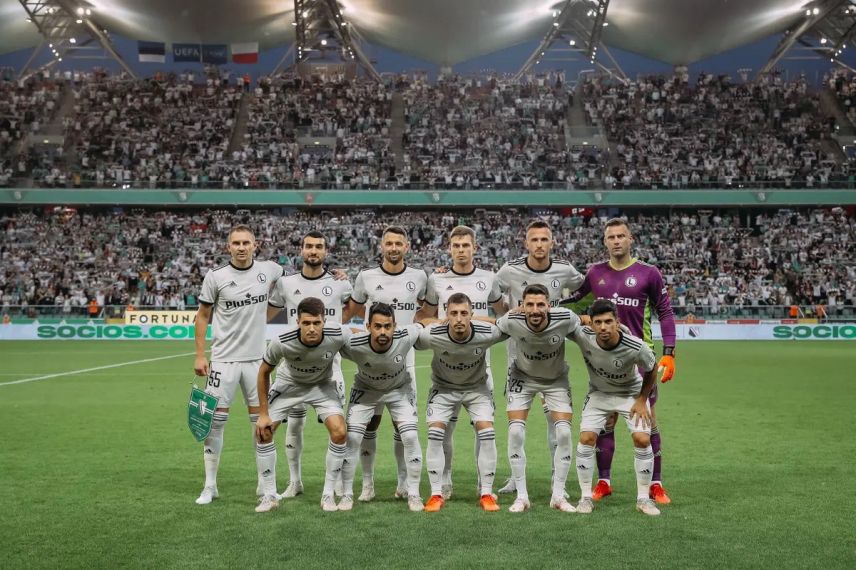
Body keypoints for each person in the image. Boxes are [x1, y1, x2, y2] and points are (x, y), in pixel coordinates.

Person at [563, 218, 676, 504]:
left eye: (621, 236)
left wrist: (669, 352)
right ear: (605, 241)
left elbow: (665, 311)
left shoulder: (648, 273)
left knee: (648, 420)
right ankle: (604, 481)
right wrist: (548, 306)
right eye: (611, 237)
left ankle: (656, 484)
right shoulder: (595, 272)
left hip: (639, 357)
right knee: (606, 420)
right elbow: (576, 300)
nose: (616, 241)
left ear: (630, 239)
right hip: (604, 356)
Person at [192, 224, 284, 505]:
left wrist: (338, 276)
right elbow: (203, 316)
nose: (241, 247)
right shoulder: (216, 277)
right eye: (236, 243)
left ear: (255, 245)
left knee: (263, 424)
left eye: (246, 242)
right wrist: (199, 355)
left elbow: (296, 283)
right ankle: (210, 486)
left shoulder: (270, 269)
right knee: (214, 424)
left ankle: (265, 485)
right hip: (223, 361)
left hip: (257, 362)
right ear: (228, 247)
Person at [414, 225, 505, 501]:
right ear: (449, 249)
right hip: (446, 367)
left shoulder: (489, 278)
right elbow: (423, 318)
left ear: (475, 248)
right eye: (456, 246)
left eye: (466, 245)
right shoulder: (437, 279)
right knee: (444, 430)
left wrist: (474, 320)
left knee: (483, 430)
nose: (461, 250)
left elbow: (503, 316)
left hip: (480, 368)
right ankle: (445, 481)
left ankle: (482, 483)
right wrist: (444, 322)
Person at [494, 219, 584, 496]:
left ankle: (557, 478)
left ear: (552, 243)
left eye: (544, 239)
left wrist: (575, 313)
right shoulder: (509, 270)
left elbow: (586, 288)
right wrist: (508, 314)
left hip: (552, 359)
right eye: (534, 239)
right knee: (516, 425)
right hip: (518, 360)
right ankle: (515, 478)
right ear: (526, 243)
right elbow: (491, 292)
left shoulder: (564, 270)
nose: (539, 244)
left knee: (555, 423)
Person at [267, 230, 354, 499]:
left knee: (337, 428)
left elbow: (354, 308)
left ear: (326, 251)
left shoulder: (341, 284)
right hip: (293, 367)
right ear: (301, 250)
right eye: (309, 246)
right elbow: (267, 312)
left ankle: (335, 482)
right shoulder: (285, 283)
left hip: (330, 367)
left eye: (318, 247)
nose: (313, 251)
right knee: (294, 425)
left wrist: (337, 327)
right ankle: (295, 482)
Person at [343, 226, 427, 501]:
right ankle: (368, 484)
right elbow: (349, 313)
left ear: (406, 247)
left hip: (405, 362)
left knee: (403, 426)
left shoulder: (419, 277)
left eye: (398, 243)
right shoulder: (366, 277)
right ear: (382, 246)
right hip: (372, 362)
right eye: (389, 243)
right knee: (370, 424)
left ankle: (403, 482)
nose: (393, 248)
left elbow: (428, 310)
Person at [254, 297, 353, 513]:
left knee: (339, 432)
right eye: (306, 323)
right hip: (289, 384)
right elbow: (263, 372)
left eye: (317, 323)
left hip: (322, 385)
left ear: (324, 321)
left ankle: (328, 494)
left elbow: (358, 338)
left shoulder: (338, 333)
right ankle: (269, 495)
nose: (312, 328)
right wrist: (263, 413)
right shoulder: (282, 341)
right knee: (263, 431)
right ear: (297, 321)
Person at [415, 292, 508, 512]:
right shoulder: (432, 335)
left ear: (471, 315)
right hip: (443, 389)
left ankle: (486, 493)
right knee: (435, 433)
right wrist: (426, 322)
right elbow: (414, 335)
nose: (458, 318)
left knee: (487, 433)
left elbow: (508, 325)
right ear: (446, 315)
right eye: (453, 313)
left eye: (464, 313)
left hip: (477, 389)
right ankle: (436, 494)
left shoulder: (487, 333)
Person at [567, 299, 660, 516]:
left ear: (617, 322)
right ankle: (585, 498)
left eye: (608, 321)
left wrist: (642, 399)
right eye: (598, 322)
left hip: (631, 394)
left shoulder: (635, 346)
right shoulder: (583, 336)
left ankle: (643, 500)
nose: (603, 327)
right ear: (591, 324)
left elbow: (652, 368)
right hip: (599, 393)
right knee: (586, 438)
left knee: (642, 439)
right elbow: (560, 323)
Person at [495, 284, 580, 513]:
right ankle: (521, 496)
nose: (535, 310)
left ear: (549, 306)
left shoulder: (565, 318)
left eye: (540, 304)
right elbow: (490, 328)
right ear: (521, 306)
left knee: (563, 433)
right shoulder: (511, 320)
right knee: (515, 431)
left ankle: (558, 495)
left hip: (555, 380)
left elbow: (585, 326)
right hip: (522, 377)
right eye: (529, 304)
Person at [339, 302, 426, 512]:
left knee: (410, 436)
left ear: (395, 326)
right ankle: (356, 490)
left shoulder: (406, 335)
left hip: (399, 389)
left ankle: (413, 492)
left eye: (387, 326)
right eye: (377, 326)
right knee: (353, 438)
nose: (383, 332)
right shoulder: (354, 344)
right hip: (366, 389)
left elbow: (425, 323)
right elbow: (331, 336)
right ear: (368, 326)